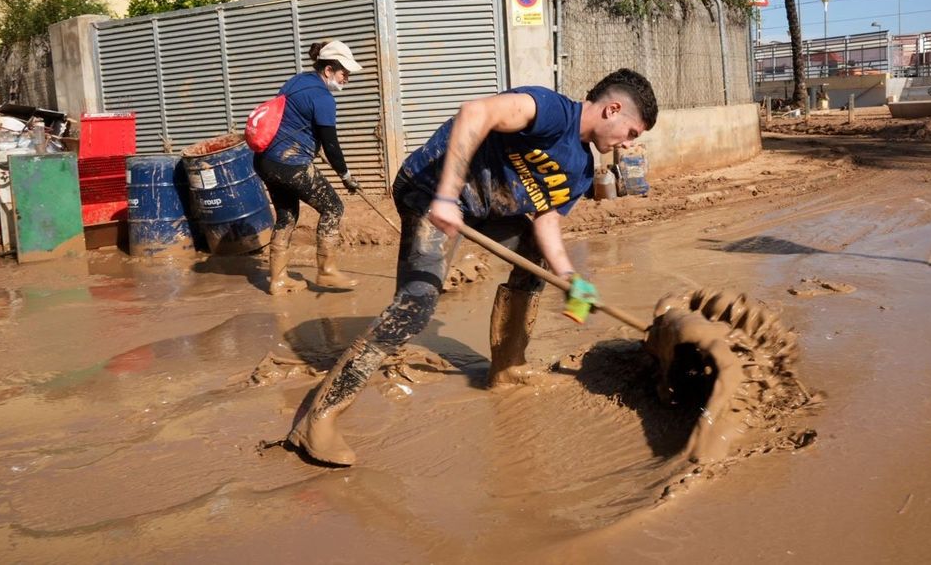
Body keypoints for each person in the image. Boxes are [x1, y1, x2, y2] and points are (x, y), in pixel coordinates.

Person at [287, 68, 659, 465]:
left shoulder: (581, 170)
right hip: (431, 190)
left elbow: (546, 218)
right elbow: (474, 113)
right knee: (416, 305)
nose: (627, 145)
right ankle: (318, 419)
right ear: (612, 109)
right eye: (632, 133)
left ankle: (508, 367)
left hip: (482, 211)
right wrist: (447, 195)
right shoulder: (551, 110)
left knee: (537, 258)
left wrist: (567, 276)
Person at [255, 39, 363, 294]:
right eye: (344, 72)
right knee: (334, 207)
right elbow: (332, 145)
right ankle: (327, 272)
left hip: (265, 161)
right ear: (328, 70)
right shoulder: (323, 98)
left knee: (286, 216)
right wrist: (346, 176)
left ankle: (278, 281)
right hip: (289, 163)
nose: (347, 77)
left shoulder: (299, 80)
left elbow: (294, 117)